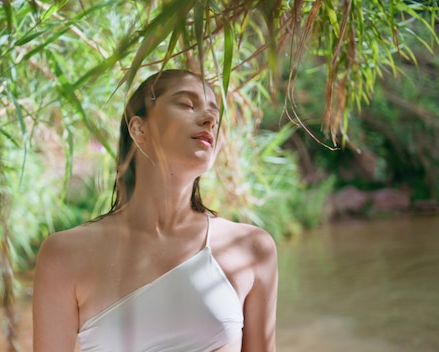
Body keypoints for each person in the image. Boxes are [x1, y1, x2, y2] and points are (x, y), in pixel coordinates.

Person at [32, 69, 278, 352]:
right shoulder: (64, 255)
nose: (210, 120)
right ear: (139, 129)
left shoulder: (251, 249)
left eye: (214, 113)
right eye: (187, 104)